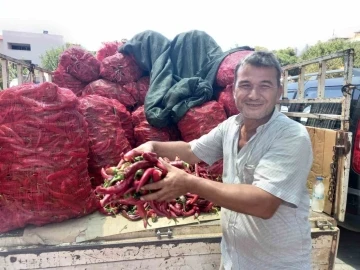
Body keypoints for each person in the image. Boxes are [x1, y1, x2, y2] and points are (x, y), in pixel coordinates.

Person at [135, 51, 313, 270]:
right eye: (245, 85)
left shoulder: (291, 136)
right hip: (234, 259)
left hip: (277, 264)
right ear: (233, 90)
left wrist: (190, 183)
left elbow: (264, 203)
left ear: (279, 93)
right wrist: (154, 146)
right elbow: (192, 151)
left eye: (265, 86)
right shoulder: (231, 126)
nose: (254, 94)